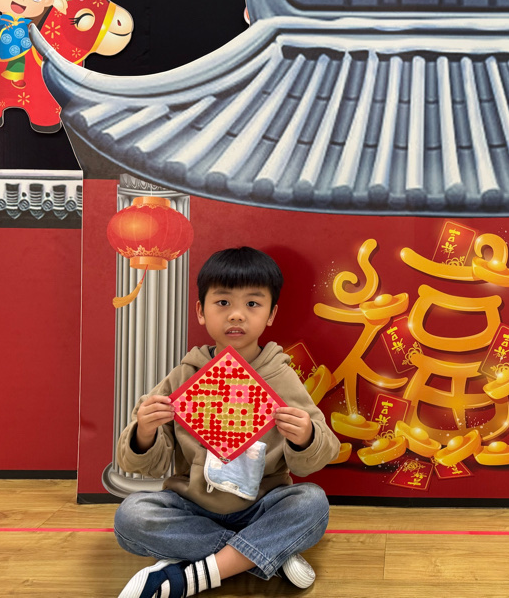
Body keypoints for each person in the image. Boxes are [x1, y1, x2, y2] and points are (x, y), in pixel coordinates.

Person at [114, 247, 340, 598]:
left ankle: (197, 571)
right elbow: (140, 464)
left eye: (252, 304)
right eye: (222, 302)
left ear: (271, 314)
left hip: (262, 506)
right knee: (132, 516)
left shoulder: (280, 376)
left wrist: (307, 436)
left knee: (312, 503)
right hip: (192, 508)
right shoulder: (184, 375)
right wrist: (144, 432)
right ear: (200, 311)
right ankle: (262, 554)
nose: (236, 314)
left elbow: (320, 455)